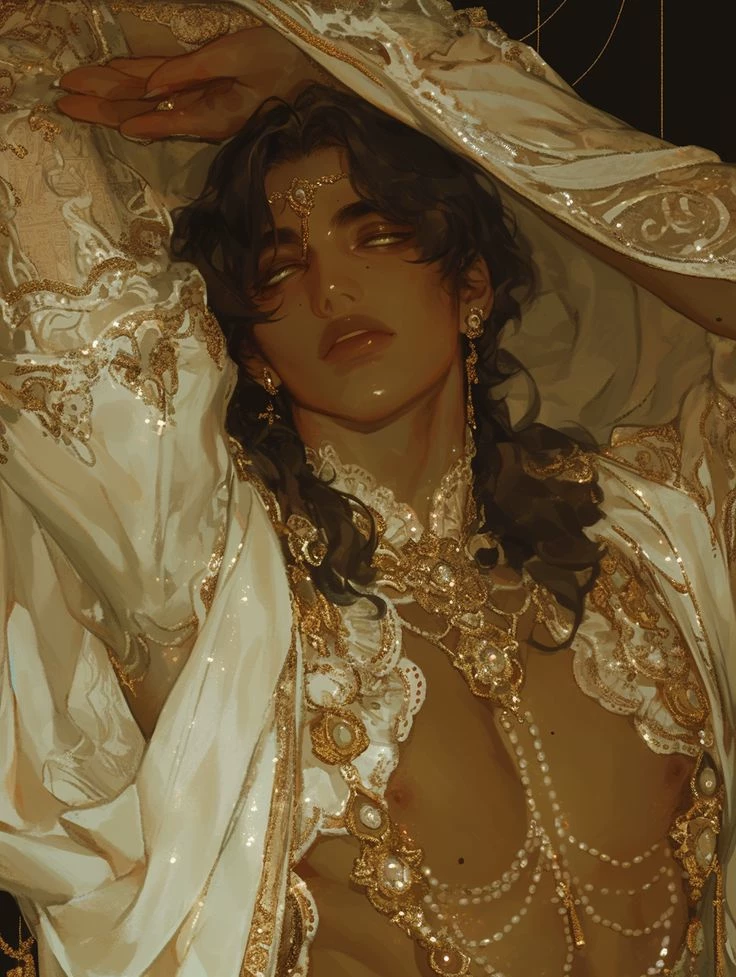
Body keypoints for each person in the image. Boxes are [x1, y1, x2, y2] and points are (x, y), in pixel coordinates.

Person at [0, 3, 734, 976]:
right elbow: (27, 128)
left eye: (376, 234)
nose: (331, 290)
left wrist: (365, 74)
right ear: (251, 350)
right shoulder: (213, 592)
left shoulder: (658, 541)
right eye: (281, 267)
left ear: (471, 283)